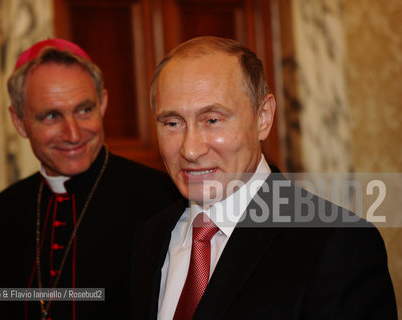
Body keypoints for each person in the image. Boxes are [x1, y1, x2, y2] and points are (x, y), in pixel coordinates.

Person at [131, 36, 397, 319]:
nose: (190, 149)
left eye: (212, 120)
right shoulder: (150, 237)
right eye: (172, 123)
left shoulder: (337, 245)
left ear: (263, 117)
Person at [0, 38, 180, 320]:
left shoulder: (162, 198)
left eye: (84, 110)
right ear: (19, 122)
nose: (73, 134)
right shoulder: (3, 212)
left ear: (102, 104)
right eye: (52, 116)